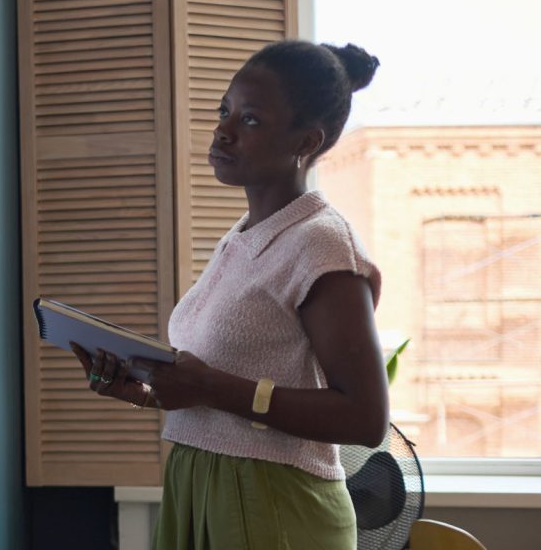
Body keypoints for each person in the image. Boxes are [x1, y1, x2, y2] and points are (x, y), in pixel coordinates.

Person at [71, 40, 386, 549]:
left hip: (275, 507)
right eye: (225, 110)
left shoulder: (323, 244)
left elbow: (366, 418)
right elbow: (228, 391)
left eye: (251, 120)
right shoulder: (243, 236)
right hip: (199, 488)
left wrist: (206, 388)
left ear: (305, 141)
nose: (223, 130)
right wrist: (148, 392)